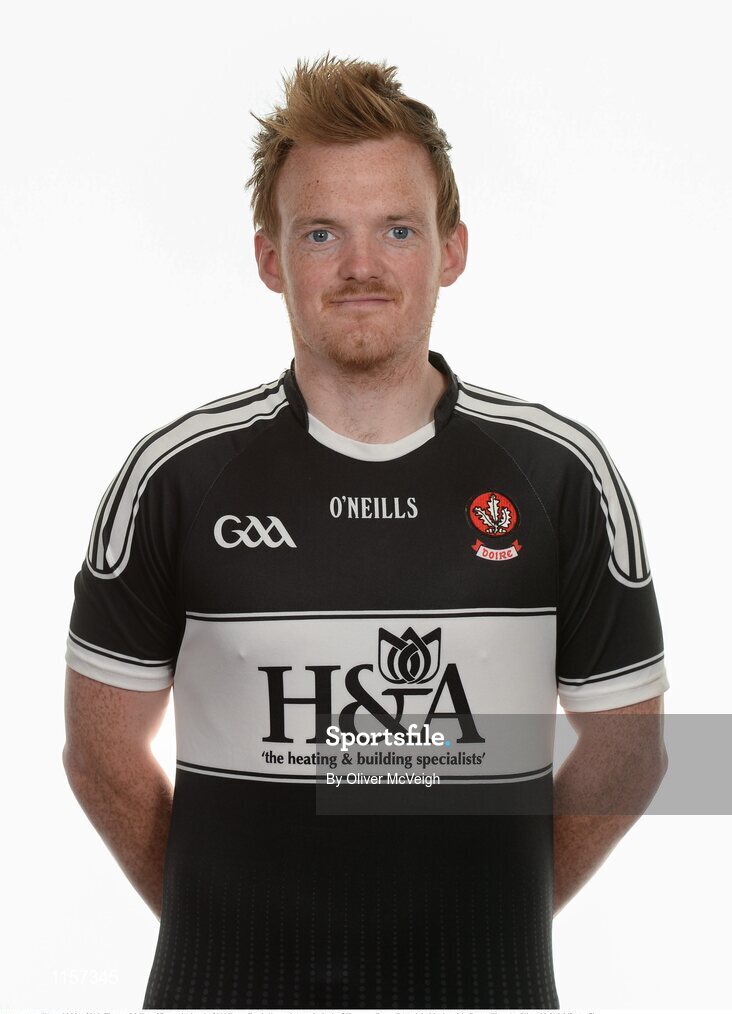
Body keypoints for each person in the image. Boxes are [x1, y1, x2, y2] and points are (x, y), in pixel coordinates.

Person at [62, 54, 669, 1010]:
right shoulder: (175, 479)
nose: (360, 267)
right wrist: (218, 926)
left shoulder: (559, 478)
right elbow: (97, 754)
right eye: (320, 232)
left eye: (397, 228)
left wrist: (491, 925)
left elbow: (632, 750)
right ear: (269, 257)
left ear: (452, 249)